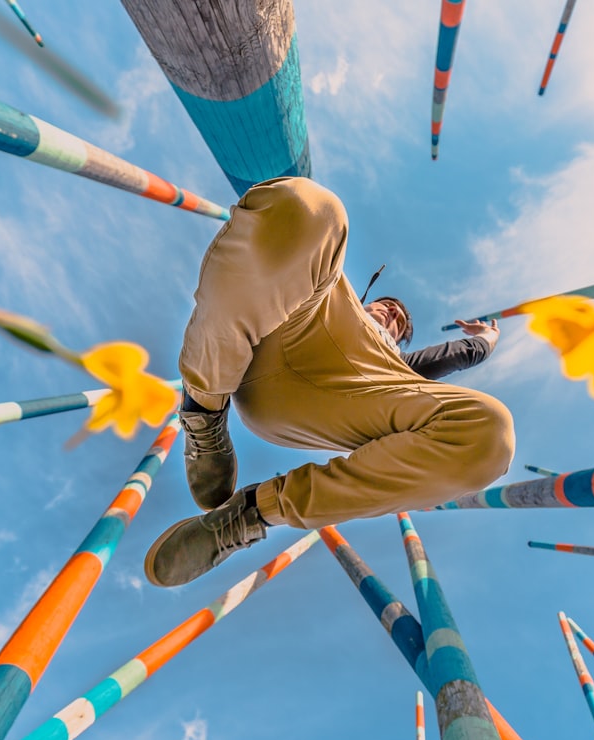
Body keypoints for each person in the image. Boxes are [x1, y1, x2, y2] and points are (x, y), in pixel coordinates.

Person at [144, 177, 514, 588]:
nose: (392, 314)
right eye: (387, 306)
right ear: (368, 299)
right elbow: (301, 236)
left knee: (490, 432)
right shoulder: (337, 293)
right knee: (314, 208)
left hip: (329, 398)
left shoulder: (400, 364)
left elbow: (454, 357)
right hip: (286, 331)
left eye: (400, 322)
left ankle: (252, 512)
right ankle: (204, 418)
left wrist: (485, 340)